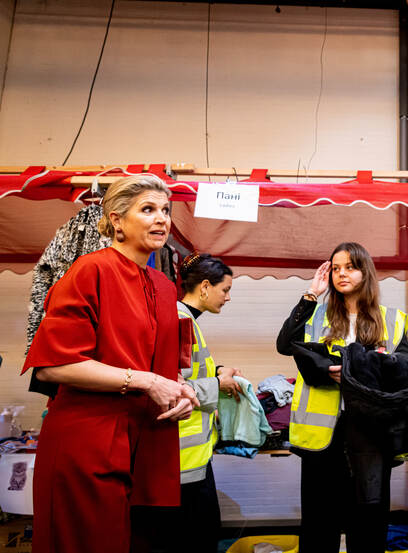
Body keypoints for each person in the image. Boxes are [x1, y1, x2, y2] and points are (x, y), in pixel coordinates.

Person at [22, 174, 199, 553]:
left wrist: (180, 392)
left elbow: (163, 370)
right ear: (116, 220)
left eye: (165, 211)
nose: (161, 219)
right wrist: (148, 381)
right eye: (148, 209)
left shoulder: (165, 287)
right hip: (87, 442)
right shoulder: (89, 271)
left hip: (146, 448)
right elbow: (51, 367)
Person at [276, 242, 408, 553]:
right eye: (336, 268)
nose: (341, 274)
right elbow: (286, 344)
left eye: (349, 267)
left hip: (371, 432)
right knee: (318, 521)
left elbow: (406, 371)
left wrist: (362, 371)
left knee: (368, 519)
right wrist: (312, 293)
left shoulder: (392, 319)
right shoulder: (316, 314)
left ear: (365, 271)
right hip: (322, 435)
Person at [161, 252, 244, 553]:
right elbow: (170, 387)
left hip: (192, 458)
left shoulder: (188, 321)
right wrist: (218, 384)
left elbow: (187, 372)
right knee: (199, 539)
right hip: (182, 460)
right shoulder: (181, 321)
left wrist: (218, 371)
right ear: (205, 287)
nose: (228, 298)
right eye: (226, 290)